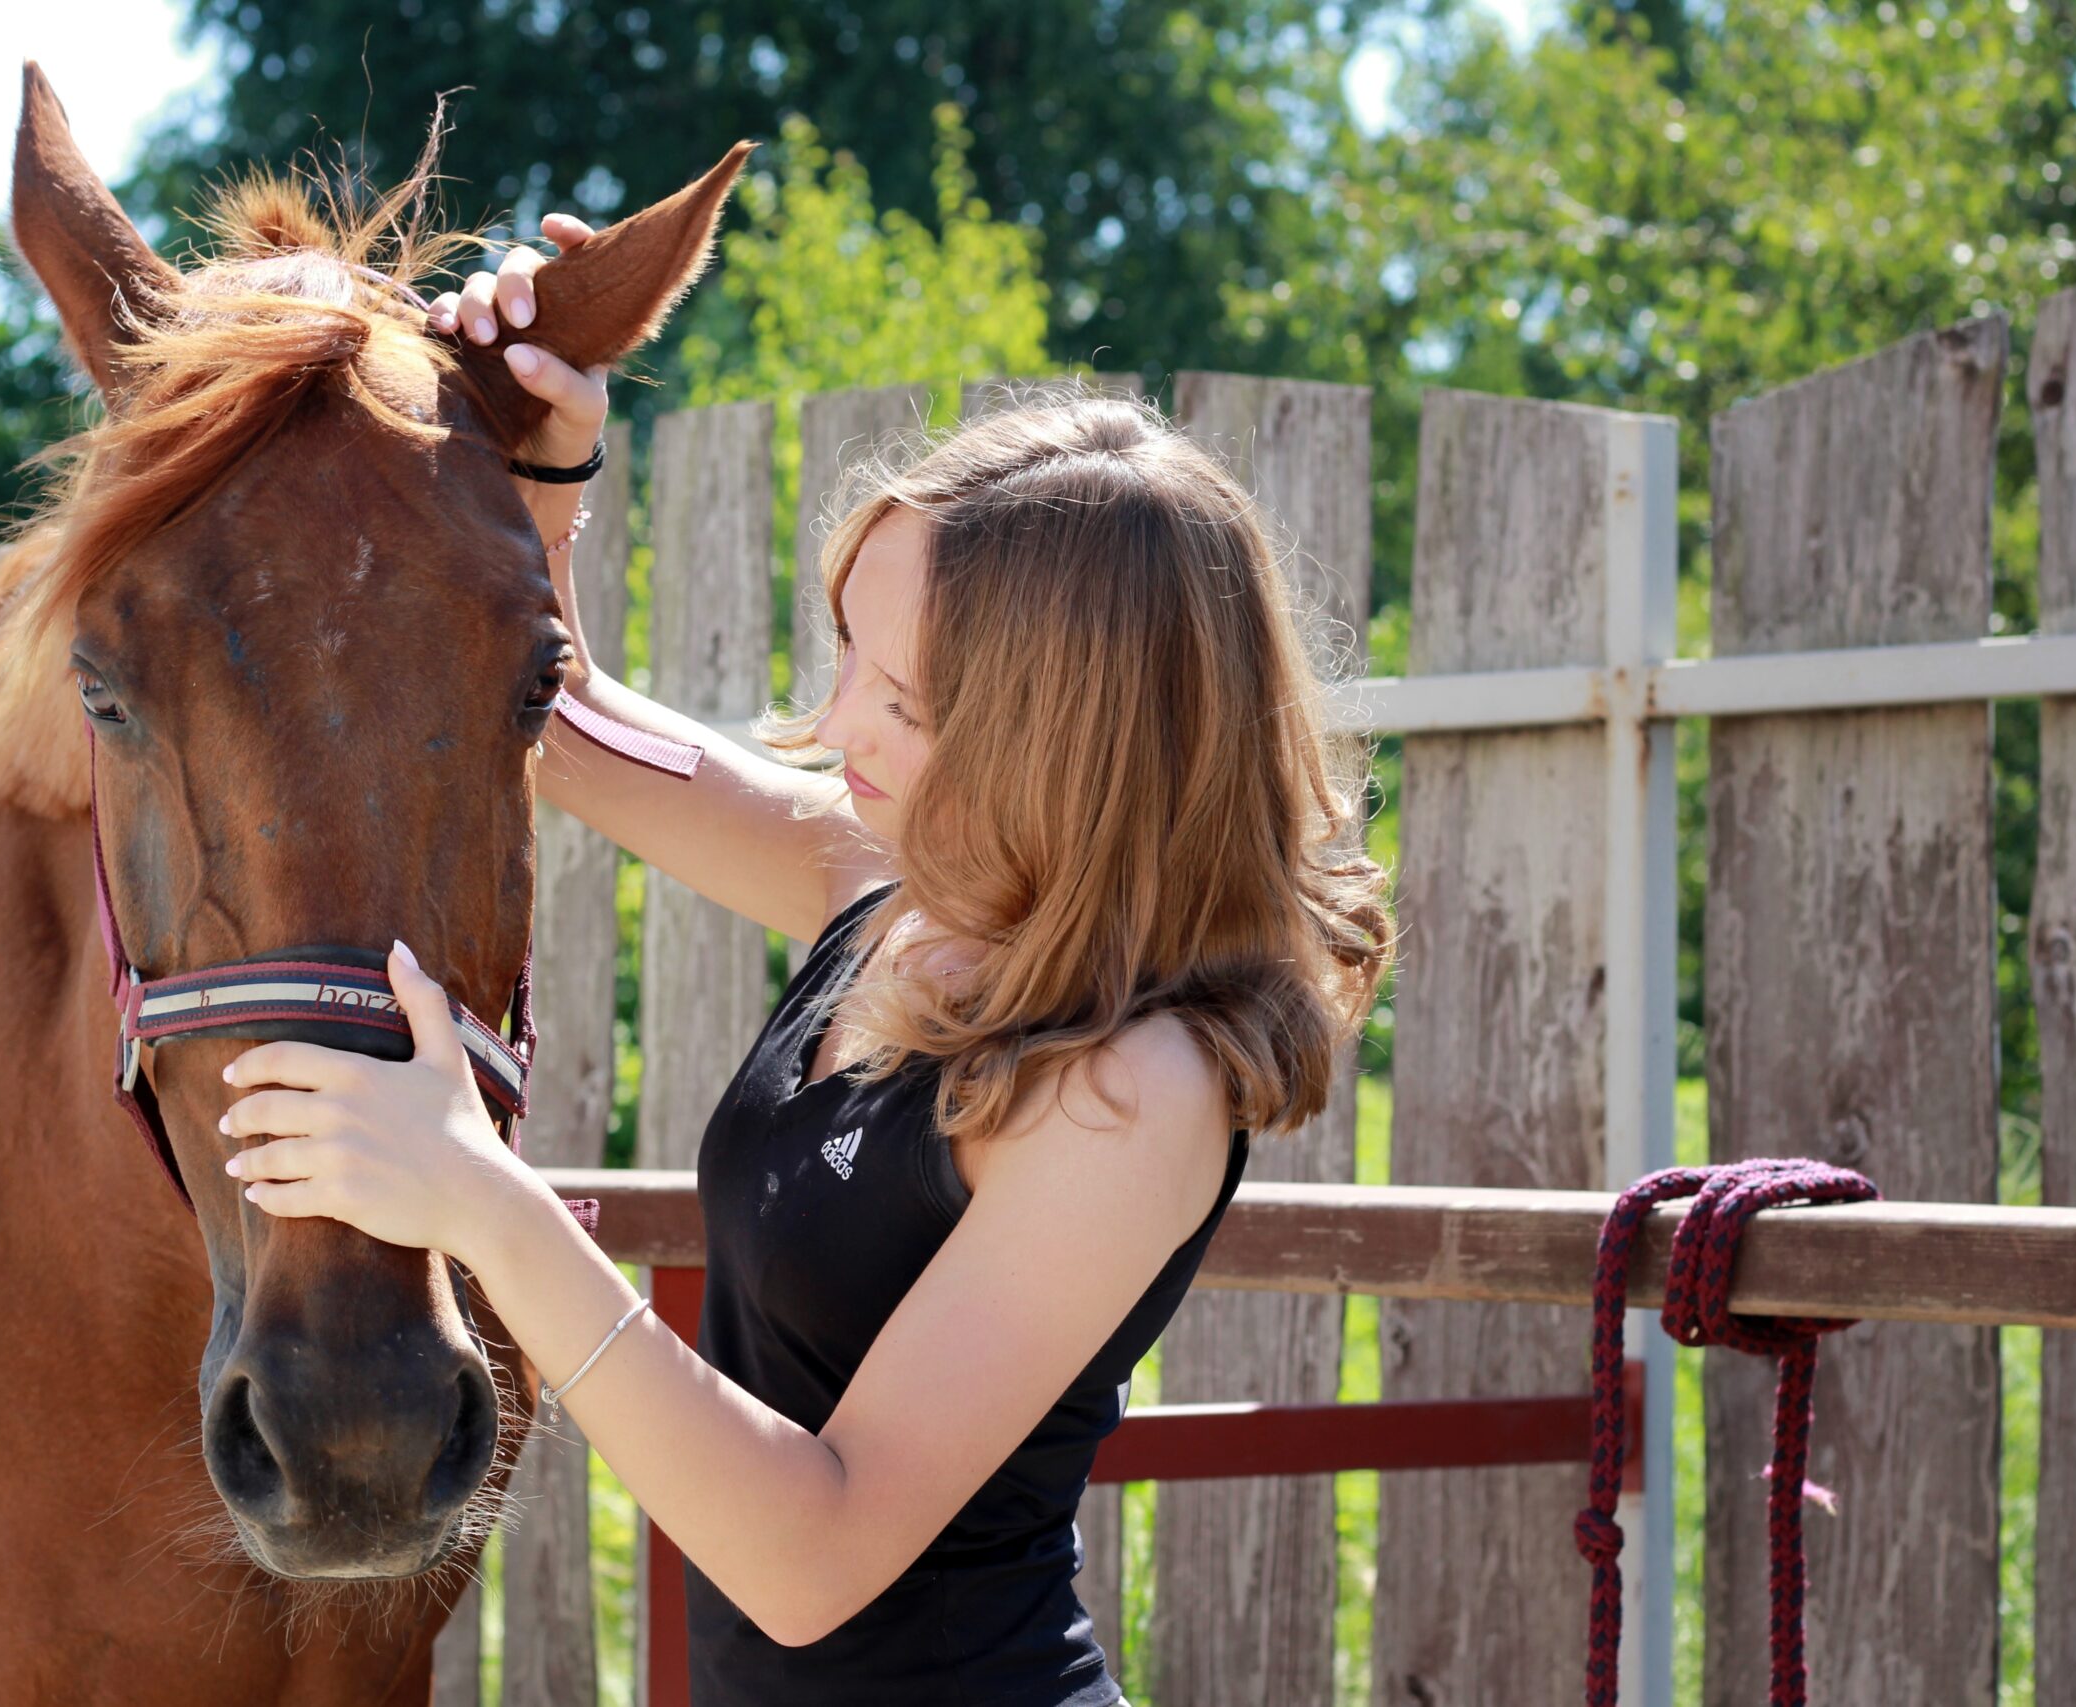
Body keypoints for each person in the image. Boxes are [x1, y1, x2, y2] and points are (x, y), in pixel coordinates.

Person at [214, 220, 1396, 1705]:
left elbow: (811, 1553)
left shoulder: (1136, 1087)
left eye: (897, 696)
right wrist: (542, 473)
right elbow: (563, 730)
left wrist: (484, 1202)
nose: (838, 730)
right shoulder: (894, 895)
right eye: (847, 654)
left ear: (1061, 740)